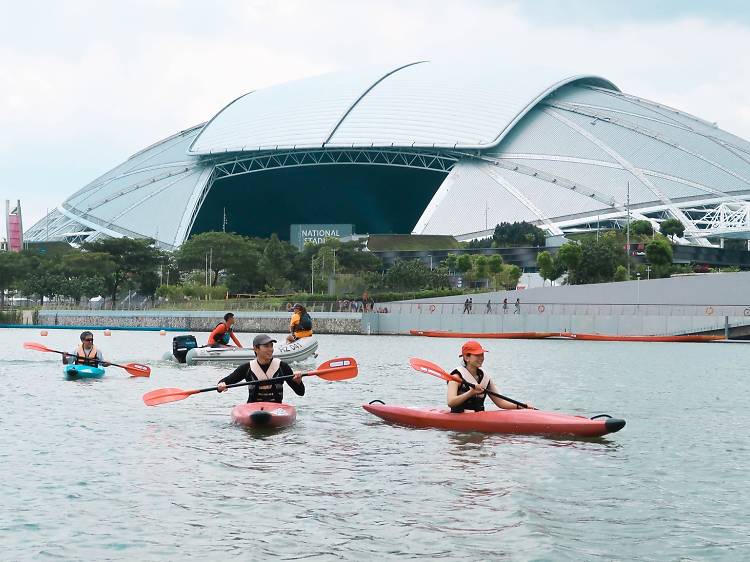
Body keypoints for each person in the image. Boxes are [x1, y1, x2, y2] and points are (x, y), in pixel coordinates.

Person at [447, 340, 531, 413]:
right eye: (477, 355)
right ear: (466, 357)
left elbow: (500, 402)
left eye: (482, 355)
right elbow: (450, 402)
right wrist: (471, 393)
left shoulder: (485, 378)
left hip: (479, 418)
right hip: (459, 419)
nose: (481, 358)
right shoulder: (456, 378)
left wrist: (520, 406)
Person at [217, 334, 304, 403]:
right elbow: (226, 381)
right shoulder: (247, 368)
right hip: (253, 410)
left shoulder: (282, 366)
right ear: (256, 349)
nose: (271, 349)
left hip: (276, 409)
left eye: (271, 346)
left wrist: (299, 382)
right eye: (266, 346)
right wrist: (221, 385)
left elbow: (300, 392)